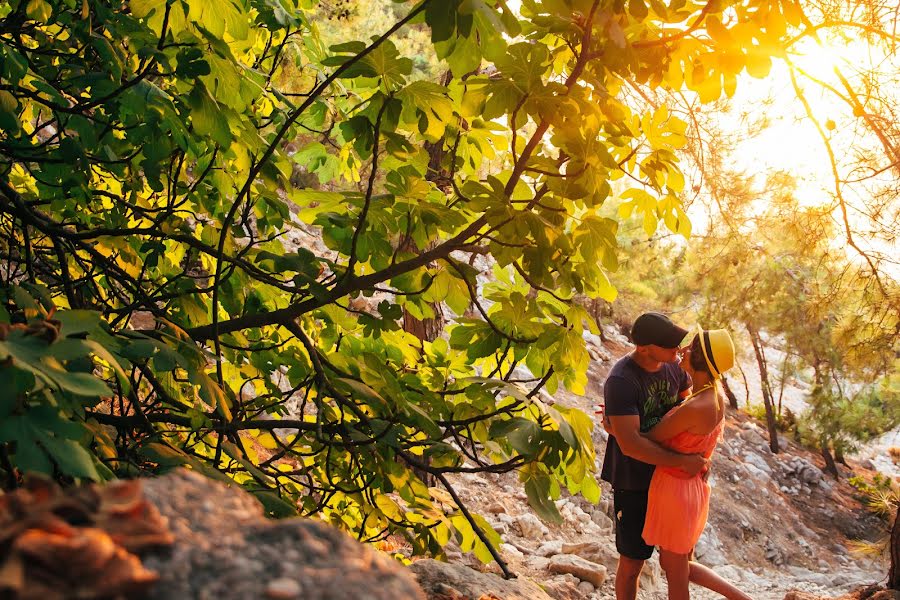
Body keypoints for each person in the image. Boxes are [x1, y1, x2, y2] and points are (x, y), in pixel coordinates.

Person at [600, 312, 709, 600]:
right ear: (644, 347)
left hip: (672, 481)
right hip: (634, 481)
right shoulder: (621, 380)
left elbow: (689, 407)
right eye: (669, 344)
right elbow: (631, 446)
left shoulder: (674, 367)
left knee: (679, 560)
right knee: (633, 561)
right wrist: (684, 461)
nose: (678, 349)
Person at [641, 329, 751, 600]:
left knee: (676, 574)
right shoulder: (713, 396)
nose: (682, 350)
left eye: (689, 347)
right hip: (689, 487)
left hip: (676, 490)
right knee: (676, 565)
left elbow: (651, 437)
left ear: (700, 359)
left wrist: (616, 425)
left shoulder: (697, 406)